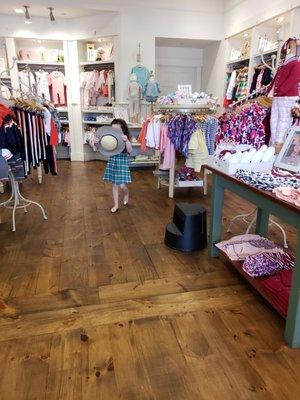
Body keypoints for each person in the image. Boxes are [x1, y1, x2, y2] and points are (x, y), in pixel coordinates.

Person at [103, 118, 132, 213]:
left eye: (117, 129)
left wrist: (127, 141)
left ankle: (126, 194)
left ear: (123, 130)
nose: (114, 131)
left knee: (122, 186)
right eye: (112, 129)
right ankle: (116, 204)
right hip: (113, 161)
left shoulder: (125, 138)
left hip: (122, 162)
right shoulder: (109, 137)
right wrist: (96, 141)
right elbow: (102, 146)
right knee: (115, 185)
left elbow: (130, 151)